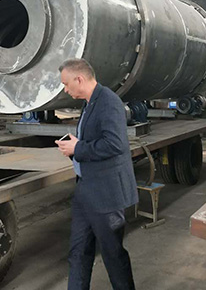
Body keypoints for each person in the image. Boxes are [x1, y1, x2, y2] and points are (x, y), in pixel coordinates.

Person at [55, 58, 137, 290]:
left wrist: (78, 148)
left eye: (66, 84)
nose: (65, 89)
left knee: (113, 254)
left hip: (106, 194)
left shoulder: (108, 102)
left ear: (79, 79)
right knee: (78, 252)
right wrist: (76, 145)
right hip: (85, 190)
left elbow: (115, 144)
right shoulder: (90, 103)